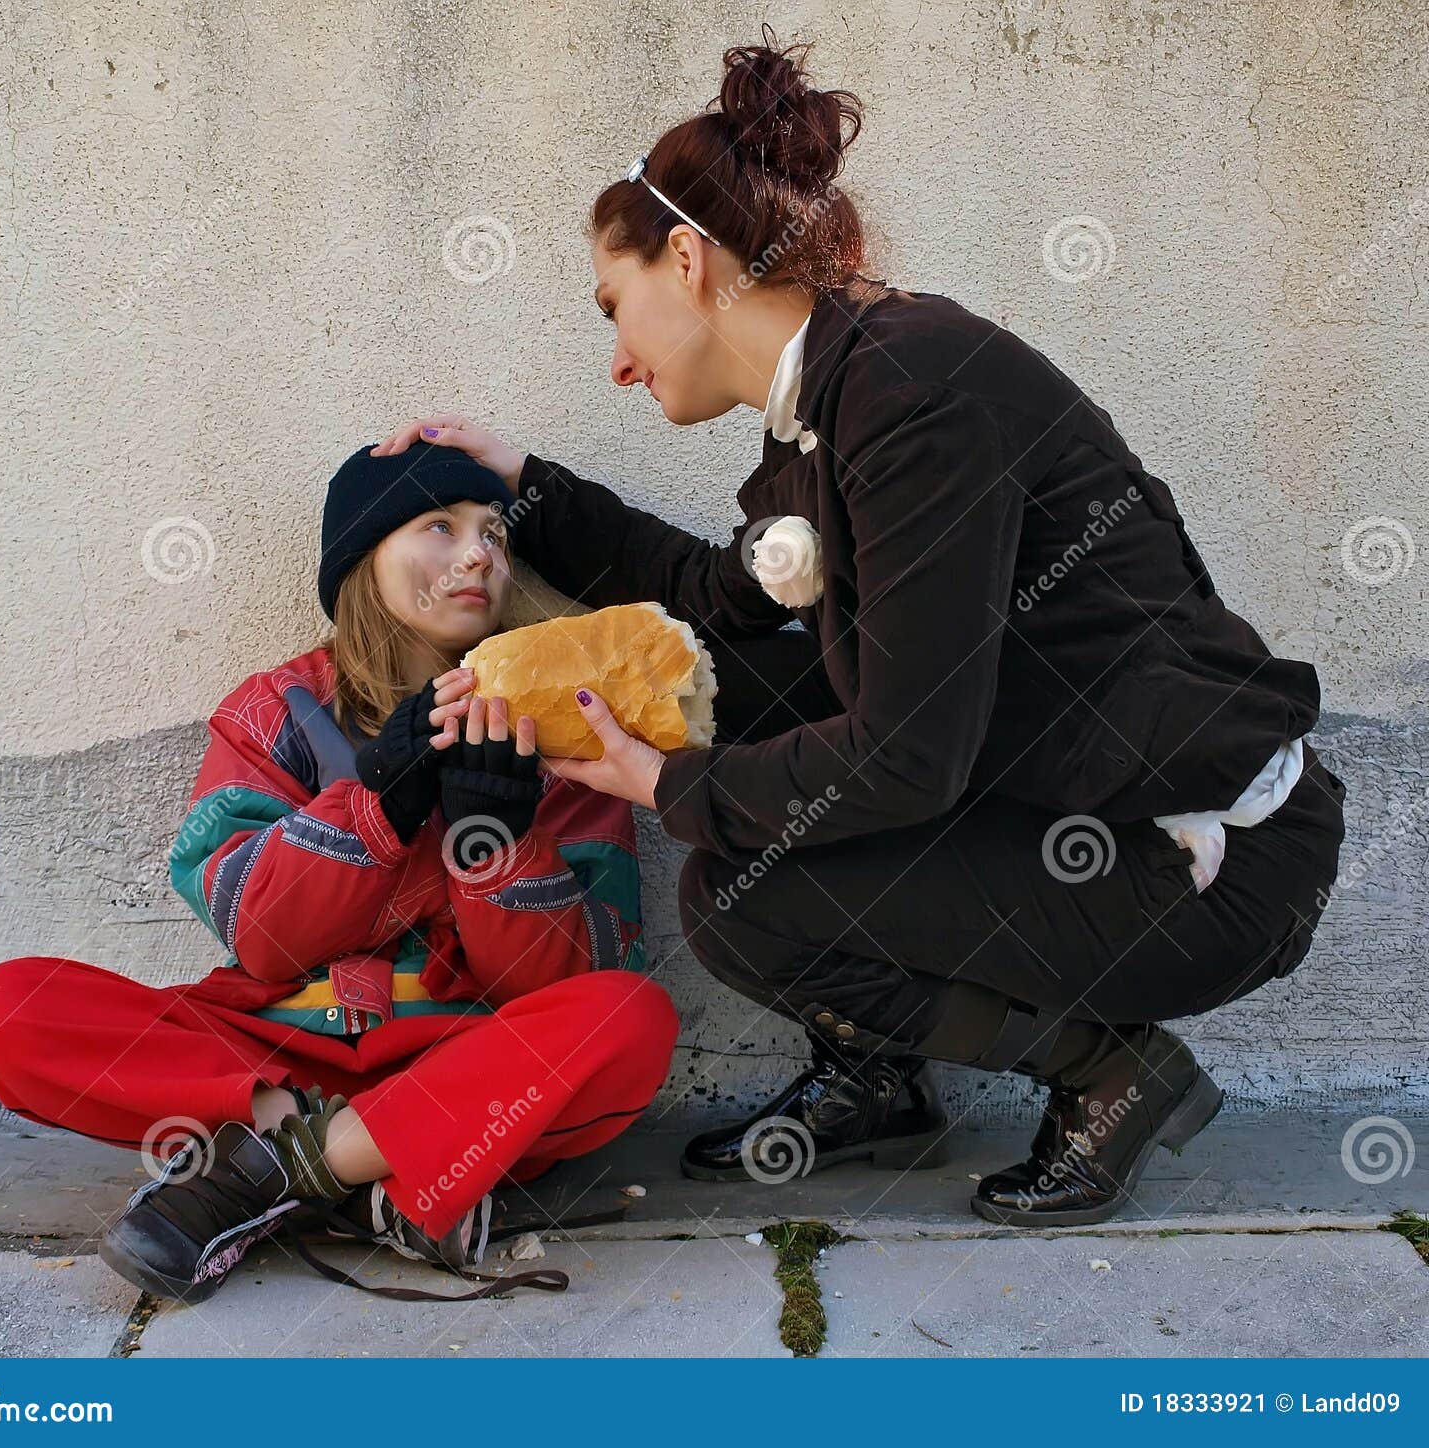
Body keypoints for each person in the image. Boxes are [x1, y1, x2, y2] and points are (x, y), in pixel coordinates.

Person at [367, 30, 1348, 1227]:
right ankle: (879, 1078)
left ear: (687, 259)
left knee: (738, 886)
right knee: (743, 684)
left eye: (614, 308)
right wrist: (521, 483)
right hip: (1077, 806)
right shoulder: (828, 402)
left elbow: (909, 752)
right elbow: (713, 597)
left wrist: (664, 781)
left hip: (1208, 864)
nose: (618, 360)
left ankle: (1109, 1069)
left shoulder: (911, 398)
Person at [0, 440, 677, 1303]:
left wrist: (497, 846)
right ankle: (369, 1170)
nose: (479, 555)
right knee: (13, 1010)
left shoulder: (561, 726)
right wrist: (377, 809)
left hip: (463, 1062)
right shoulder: (274, 712)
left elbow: (566, 982)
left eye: (495, 533)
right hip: (274, 1057)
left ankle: (269, 1175)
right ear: (360, 559)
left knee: (631, 1017)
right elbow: (260, 940)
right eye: (440, 526)